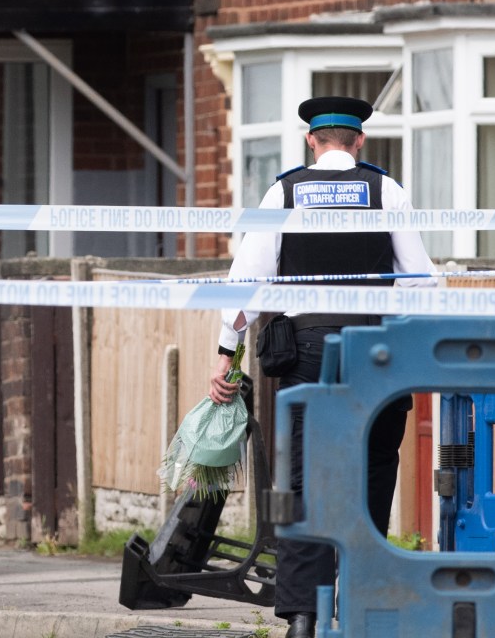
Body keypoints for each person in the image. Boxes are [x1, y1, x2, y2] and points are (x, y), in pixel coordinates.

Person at [208, 96, 437, 638]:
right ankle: (360, 603)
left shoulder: (283, 191)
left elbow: (246, 286)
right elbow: (421, 283)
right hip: (376, 353)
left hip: (307, 350)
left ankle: (304, 617)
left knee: (302, 479)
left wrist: (227, 351)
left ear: (311, 140)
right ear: (360, 141)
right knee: (374, 471)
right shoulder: (386, 190)